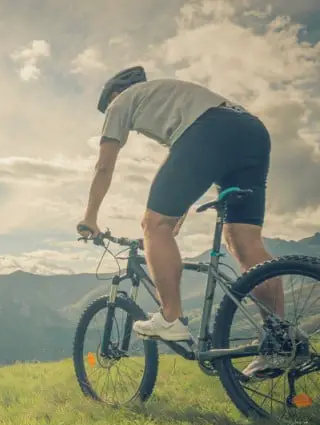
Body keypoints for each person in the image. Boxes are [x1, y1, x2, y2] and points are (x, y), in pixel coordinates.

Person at [76, 65, 284, 377]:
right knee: (244, 240)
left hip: (211, 131)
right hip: (251, 131)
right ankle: (280, 338)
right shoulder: (171, 98)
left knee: (151, 224)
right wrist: (174, 218)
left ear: (114, 94)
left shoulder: (121, 102)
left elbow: (104, 167)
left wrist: (89, 218)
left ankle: (171, 318)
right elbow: (186, 162)